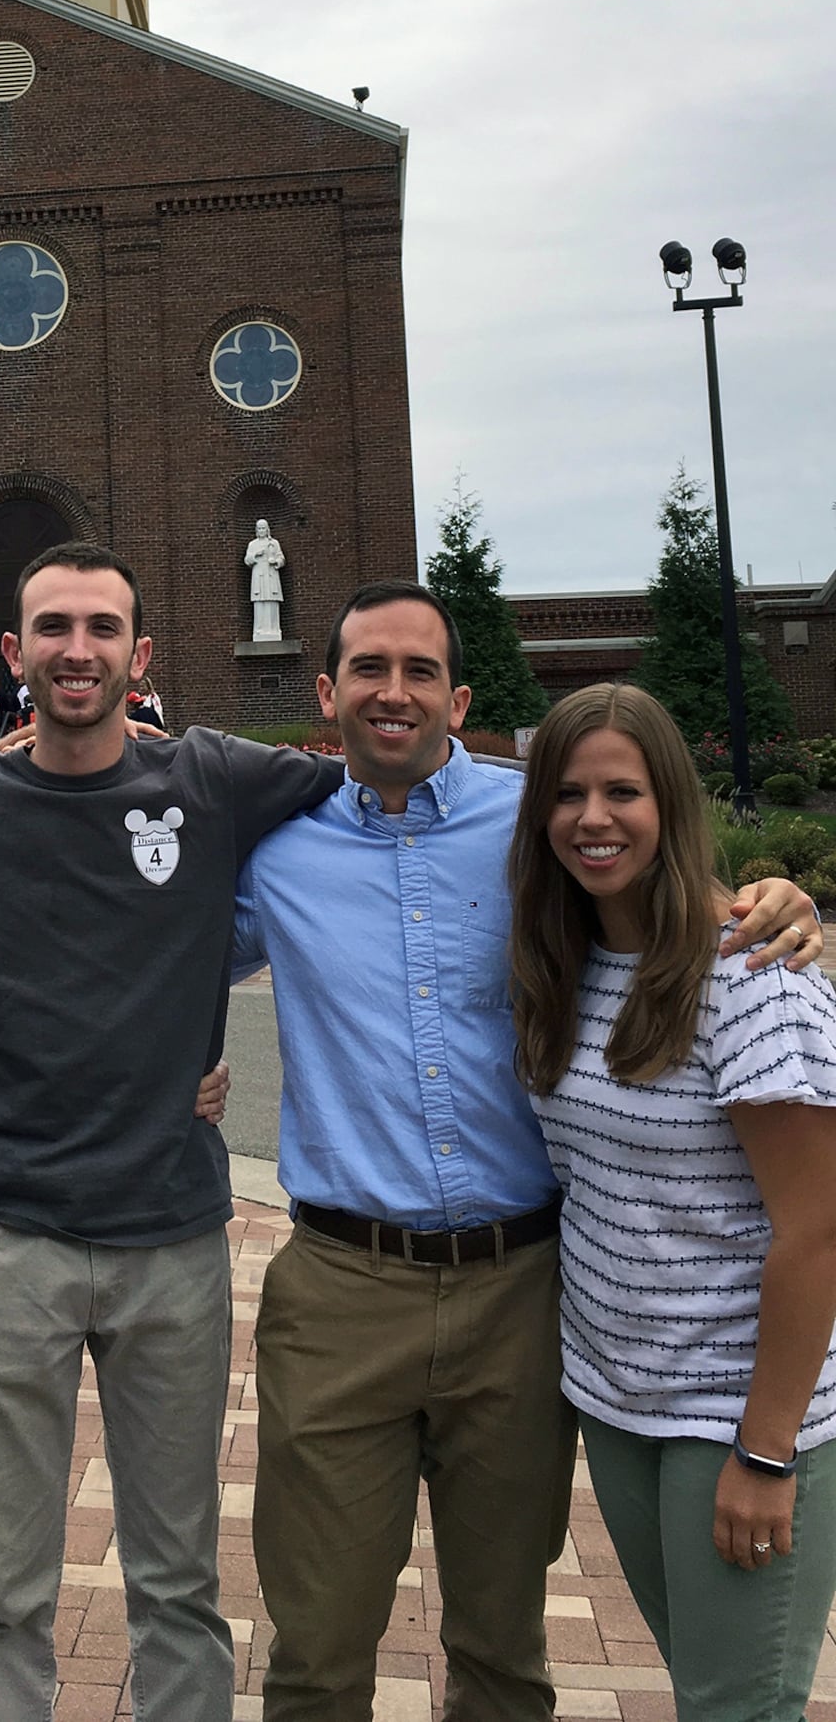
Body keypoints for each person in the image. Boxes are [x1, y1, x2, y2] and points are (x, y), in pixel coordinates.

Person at [230, 581, 821, 1722]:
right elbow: (143, 976)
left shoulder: (540, 825)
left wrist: (772, 900)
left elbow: (674, 902)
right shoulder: (276, 857)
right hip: (341, 1290)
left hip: (523, 1291)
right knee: (313, 1650)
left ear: (457, 697)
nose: (391, 692)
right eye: (367, 669)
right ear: (327, 691)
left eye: (417, 672)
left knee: (503, 1653)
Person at [0, 541, 346, 1722]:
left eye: (100, 629)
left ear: (139, 654)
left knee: (180, 1580)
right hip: (3, 1237)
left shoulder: (213, 778)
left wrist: (706, 890)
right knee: (4, 1590)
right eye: (52, 627)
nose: (74, 649)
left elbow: (405, 785)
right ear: (13, 652)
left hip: (171, 1237)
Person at [510, 684, 836, 1722]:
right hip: (620, 1404)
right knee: (710, 1692)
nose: (591, 817)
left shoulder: (747, 971)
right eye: (566, 792)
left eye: (622, 790)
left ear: (672, 804)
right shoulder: (573, 963)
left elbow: (819, 1228)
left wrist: (764, 1450)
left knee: (740, 1710)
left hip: (736, 1416)